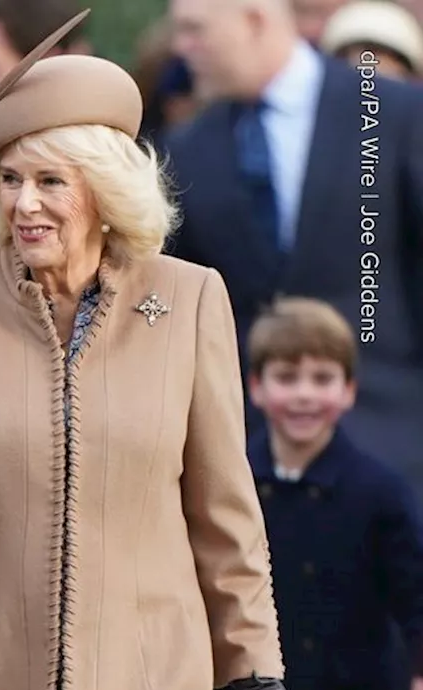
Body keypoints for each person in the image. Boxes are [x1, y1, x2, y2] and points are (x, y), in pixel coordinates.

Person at [0, 11, 300, 690]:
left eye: (50, 181)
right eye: (9, 179)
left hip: (148, 679)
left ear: (102, 189)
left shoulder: (189, 300)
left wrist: (255, 671)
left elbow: (224, 507)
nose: (24, 203)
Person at [164, 0, 423, 483]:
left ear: (253, 21)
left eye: (195, 29)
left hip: (392, 439)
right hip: (248, 460)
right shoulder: (187, 147)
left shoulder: (396, 114)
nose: (182, 47)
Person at [210, 296, 423, 690]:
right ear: (256, 387)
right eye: (287, 377)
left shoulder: (379, 491)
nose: (304, 394)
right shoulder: (227, 484)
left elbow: (415, 594)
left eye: (322, 378)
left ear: (348, 391)